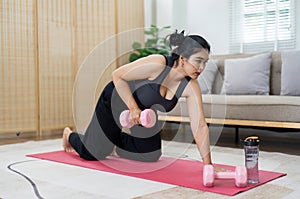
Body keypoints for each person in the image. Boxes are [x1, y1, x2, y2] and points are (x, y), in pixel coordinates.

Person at [62, 30, 212, 165]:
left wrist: (208, 165)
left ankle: (113, 142)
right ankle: (70, 135)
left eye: (205, 62)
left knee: (150, 154)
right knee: (93, 153)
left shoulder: (191, 86)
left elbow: (199, 125)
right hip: (117, 98)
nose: (202, 68)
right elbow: (118, 75)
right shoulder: (158, 64)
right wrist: (133, 108)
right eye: (198, 61)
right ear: (183, 58)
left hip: (143, 112)